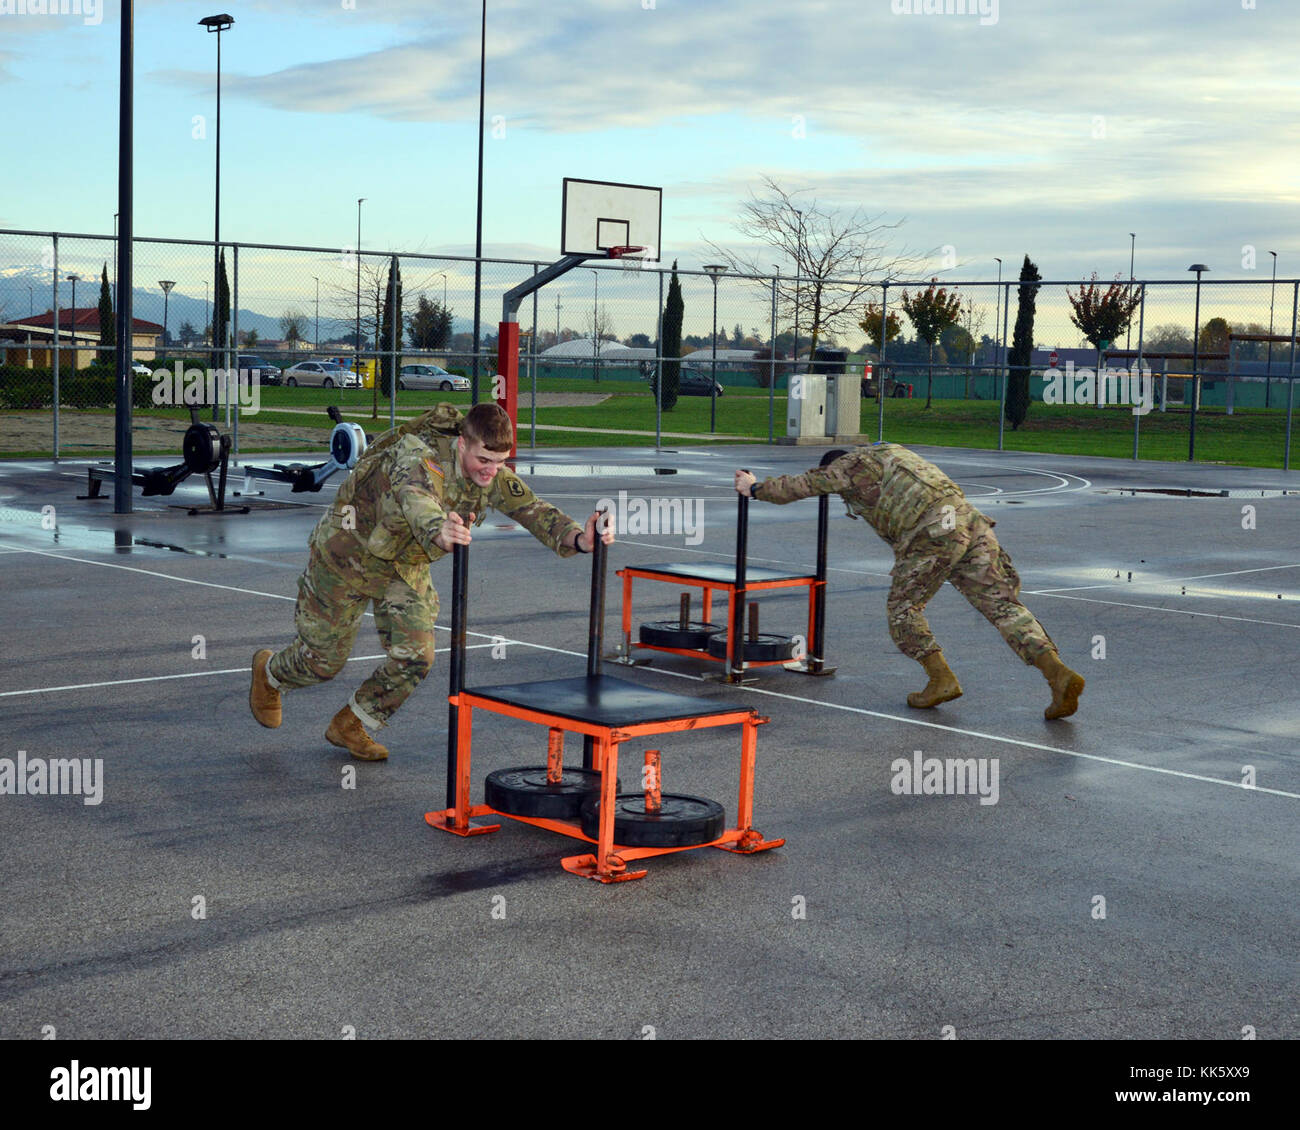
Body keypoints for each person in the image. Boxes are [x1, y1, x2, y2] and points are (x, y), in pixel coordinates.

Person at [250, 402, 614, 759]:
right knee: (322, 663)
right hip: (346, 555)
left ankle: (353, 722)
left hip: (401, 565)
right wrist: (440, 530)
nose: (491, 471)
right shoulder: (417, 457)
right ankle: (270, 673)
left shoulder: (491, 474)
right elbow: (417, 498)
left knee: (417, 657)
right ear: (461, 444)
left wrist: (581, 539)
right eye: (483, 461)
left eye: (500, 462)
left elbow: (534, 510)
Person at [734, 445, 1084, 720]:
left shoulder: (848, 466)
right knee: (1002, 606)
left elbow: (803, 485)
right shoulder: (892, 452)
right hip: (969, 522)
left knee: (904, 610)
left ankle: (940, 679)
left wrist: (755, 488)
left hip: (932, 532)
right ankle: (1057, 674)